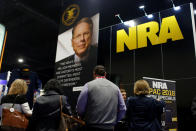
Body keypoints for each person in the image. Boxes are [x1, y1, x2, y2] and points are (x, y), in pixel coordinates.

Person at [76, 65, 126, 131]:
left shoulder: (88, 86)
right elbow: (123, 108)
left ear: (94, 74)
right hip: (109, 127)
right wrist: (115, 121)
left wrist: (82, 117)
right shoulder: (115, 88)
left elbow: (80, 108)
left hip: (91, 126)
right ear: (105, 74)